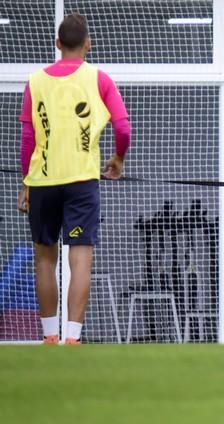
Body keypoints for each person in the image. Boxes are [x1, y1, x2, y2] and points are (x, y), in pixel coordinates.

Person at [16, 13, 132, 345]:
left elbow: (28, 139)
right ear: (87, 44)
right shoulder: (99, 78)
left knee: (45, 257)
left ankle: (50, 338)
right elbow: (123, 128)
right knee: (80, 257)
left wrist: (26, 182)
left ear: (57, 44)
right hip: (82, 181)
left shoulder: (35, 81)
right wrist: (118, 159)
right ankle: (73, 339)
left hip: (43, 181)